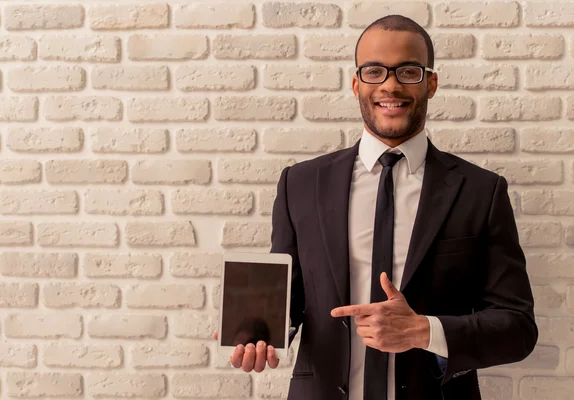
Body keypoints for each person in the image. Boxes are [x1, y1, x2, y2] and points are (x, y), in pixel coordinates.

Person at [214, 14, 538, 400]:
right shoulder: (300, 184)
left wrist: (423, 330)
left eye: (408, 71)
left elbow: (518, 327)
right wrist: (260, 335)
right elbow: (292, 299)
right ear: (355, 84)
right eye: (374, 71)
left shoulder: (480, 191)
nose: (390, 84)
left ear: (431, 83)